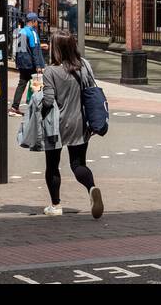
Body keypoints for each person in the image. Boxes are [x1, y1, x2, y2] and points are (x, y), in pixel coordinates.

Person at [38, 29, 104, 218]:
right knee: (78, 164)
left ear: (56, 48)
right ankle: (91, 188)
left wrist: (38, 101)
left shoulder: (51, 71)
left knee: (52, 165)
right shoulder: (83, 66)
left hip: (56, 125)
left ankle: (56, 205)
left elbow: (49, 101)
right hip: (80, 122)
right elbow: (91, 91)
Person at [9, 12, 47, 117]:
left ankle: (14, 107)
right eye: (36, 22)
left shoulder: (20, 31)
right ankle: (37, 109)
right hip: (31, 64)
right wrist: (39, 66)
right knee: (37, 85)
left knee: (21, 84)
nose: (37, 24)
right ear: (33, 21)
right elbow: (34, 50)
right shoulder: (32, 33)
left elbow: (19, 49)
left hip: (22, 63)